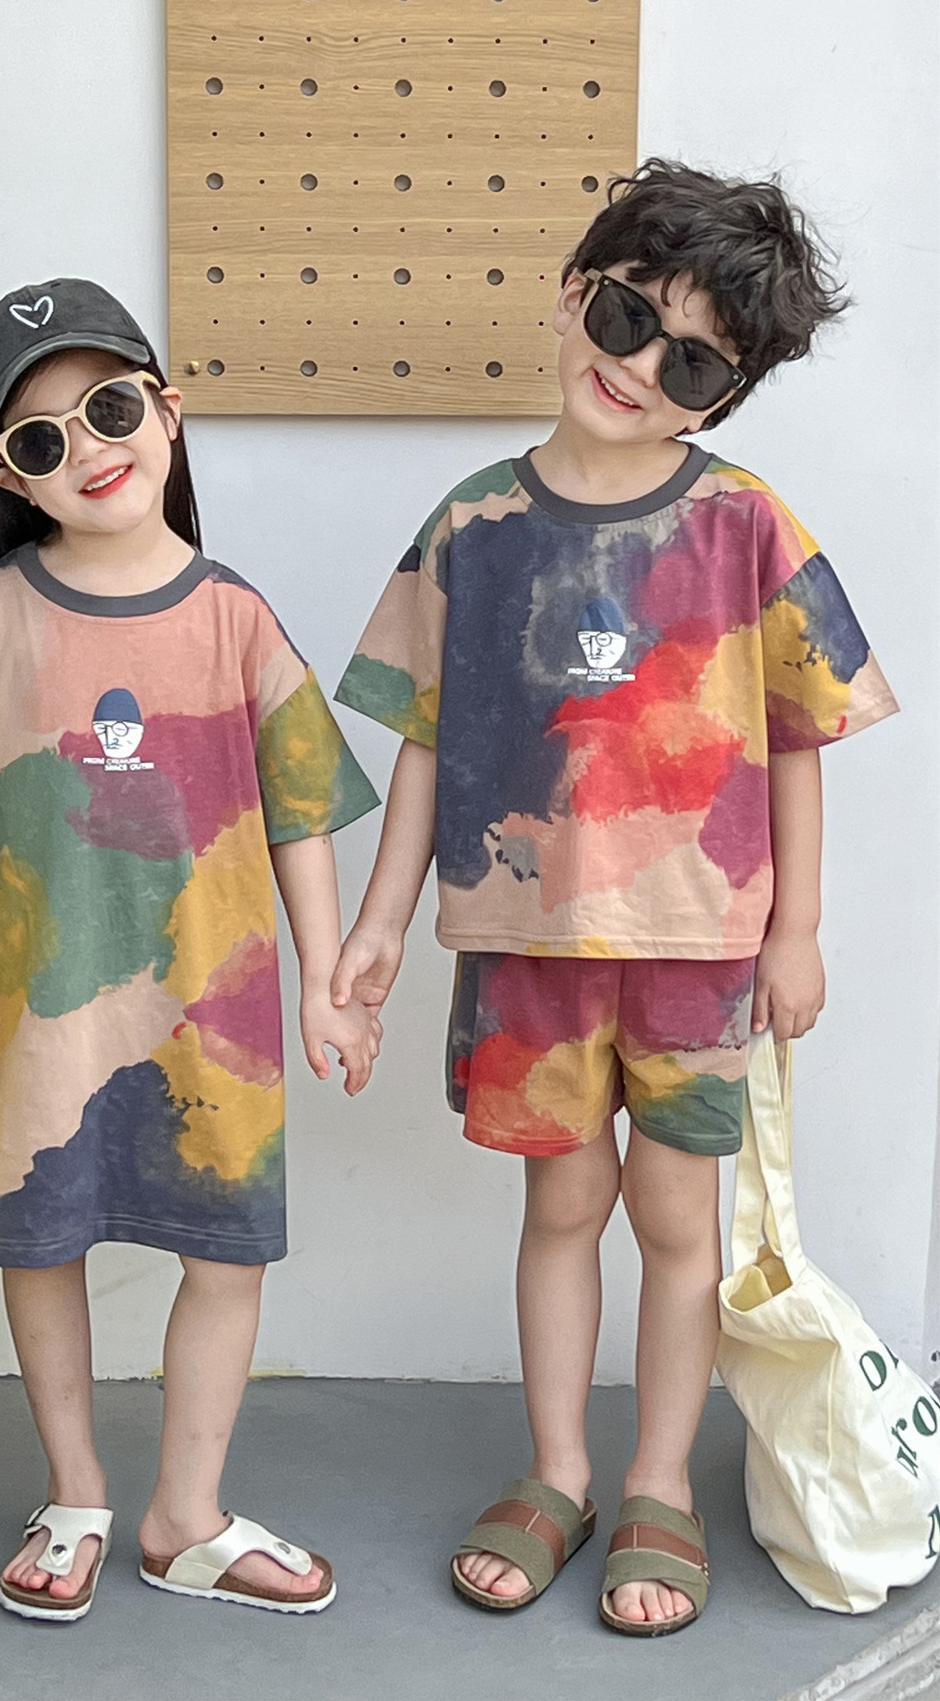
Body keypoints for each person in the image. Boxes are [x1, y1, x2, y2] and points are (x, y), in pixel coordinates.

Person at [331, 163, 898, 1636]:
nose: (640, 367)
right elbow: (424, 741)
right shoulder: (472, 525)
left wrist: (797, 930)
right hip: (527, 943)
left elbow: (796, 736)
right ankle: (560, 1470)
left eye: (692, 361)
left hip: (703, 947)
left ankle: (660, 1483)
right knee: (563, 1202)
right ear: (575, 291)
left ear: (726, 395)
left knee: (674, 1214)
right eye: (630, 317)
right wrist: (380, 923)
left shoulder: (748, 525)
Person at [0, 279, 380, 1621]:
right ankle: (74, 1494)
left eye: (110, 409)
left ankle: (189, 1515)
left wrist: (327, 985)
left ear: (168, 412)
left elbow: (297, 808)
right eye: (41, 438)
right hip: (33, 1014)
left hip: (212, 1014)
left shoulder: (236, 617)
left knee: (226, 1254)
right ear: (8, 475)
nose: (89, 449)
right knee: (41, 1243)